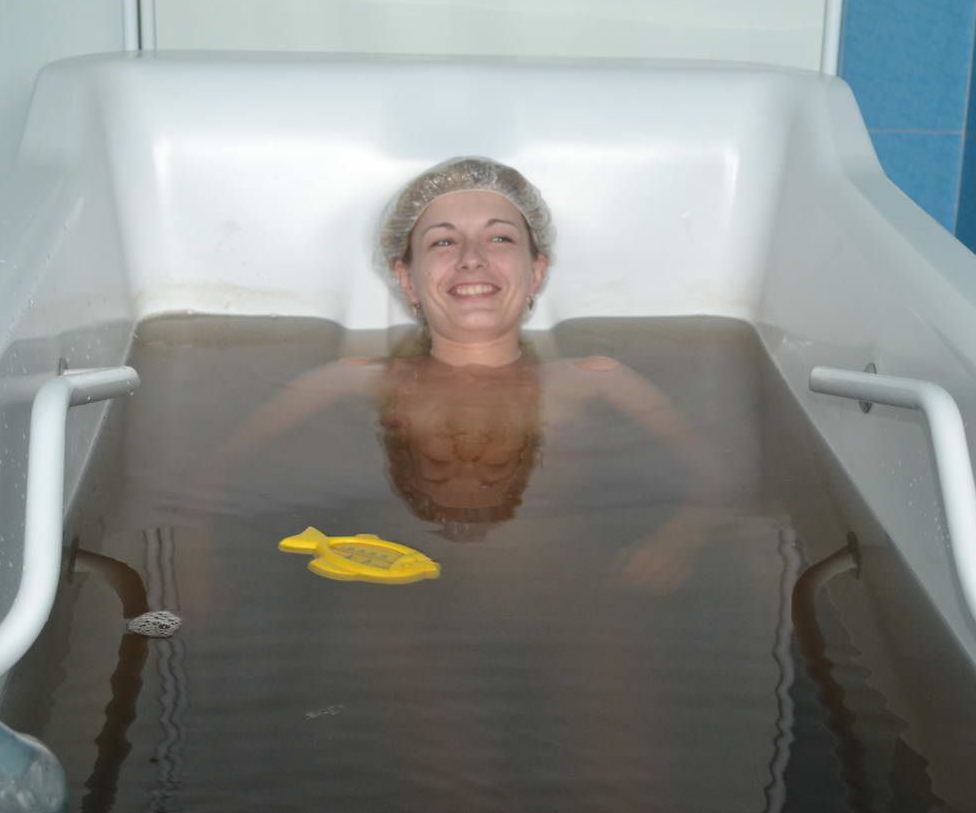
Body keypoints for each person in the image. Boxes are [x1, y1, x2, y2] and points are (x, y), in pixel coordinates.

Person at [203, 156, 730, 591]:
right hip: (400, 597)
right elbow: (214, 474)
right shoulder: (352, 379)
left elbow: (715, 480)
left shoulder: (599, 380)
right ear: (406, 277)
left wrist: (675, 541)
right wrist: (192, 557)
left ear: (537, 271)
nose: (472, 259)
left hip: (575, 591)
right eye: (443, 241)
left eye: (499, 239)